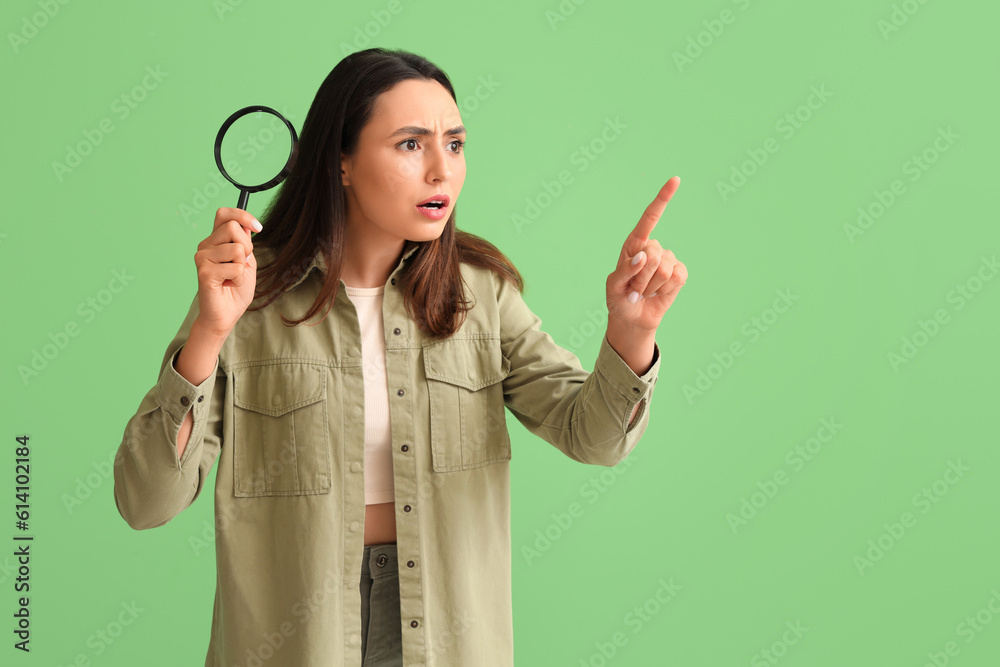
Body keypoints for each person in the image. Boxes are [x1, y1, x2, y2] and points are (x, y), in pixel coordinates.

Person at [112, 47, 686, 667]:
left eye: (456, 144)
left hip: (444, 637)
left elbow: (594, 438)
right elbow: (146, 501)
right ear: (342, 163)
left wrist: (631, 335)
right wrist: (209, 331)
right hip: (296, 639)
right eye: (411, 145)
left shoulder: (481, 296)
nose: (442, 169)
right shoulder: (249, 301)